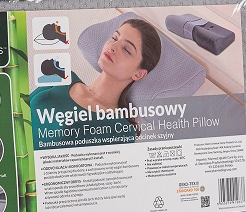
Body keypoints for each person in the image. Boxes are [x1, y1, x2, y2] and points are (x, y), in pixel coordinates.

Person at [30, 18, 162, 147]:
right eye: (114, 38)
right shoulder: (64, 75)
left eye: (127, 49)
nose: (113, 46)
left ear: (138, 74)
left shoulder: (121, 130)